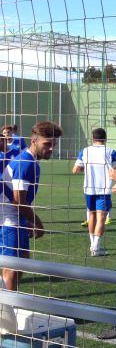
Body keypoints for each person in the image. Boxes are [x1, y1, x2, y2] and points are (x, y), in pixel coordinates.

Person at [0, 121, 62, 298]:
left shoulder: (31, 161)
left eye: (54, 144)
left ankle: (9, 308)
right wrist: (37, 223)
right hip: (8, 220)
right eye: (47, 144)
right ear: (34, 141)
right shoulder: (25, 163)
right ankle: (7, 316)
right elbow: (18, 201)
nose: (51, 148)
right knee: (11, 270)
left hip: (17, 219)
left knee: (21, 263)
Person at [72, 128, 116, 256]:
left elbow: (75, 169)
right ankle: (96, 247)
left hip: (88, 189)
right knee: (101, 218)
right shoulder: (111, 152)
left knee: (91, 216)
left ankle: (94, 246)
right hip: (103, 189)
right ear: (105, 139)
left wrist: (87, 168)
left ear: (93, 139)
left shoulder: (85, 151)